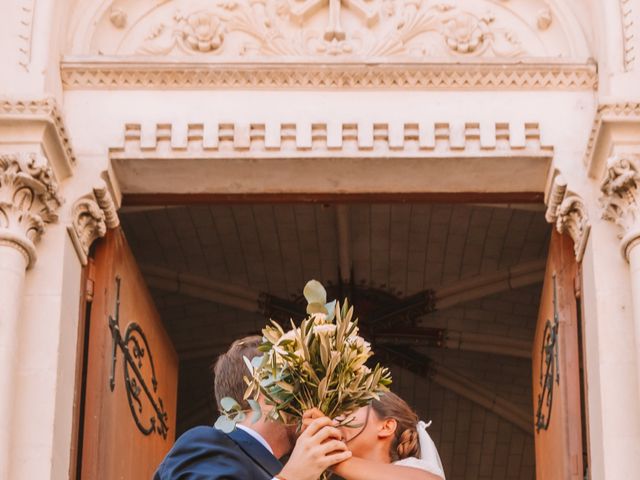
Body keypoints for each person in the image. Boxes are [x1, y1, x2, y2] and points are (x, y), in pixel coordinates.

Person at [154, 336, 351, 480]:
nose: (311, 402)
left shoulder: (278, 469)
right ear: (269, 387)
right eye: (301, 387)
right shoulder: (205, 443)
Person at [303, 392, 445, 480]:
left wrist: (333, 457)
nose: (334, 422)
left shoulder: (415, 472)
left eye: (347, 414)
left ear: (386, 427)